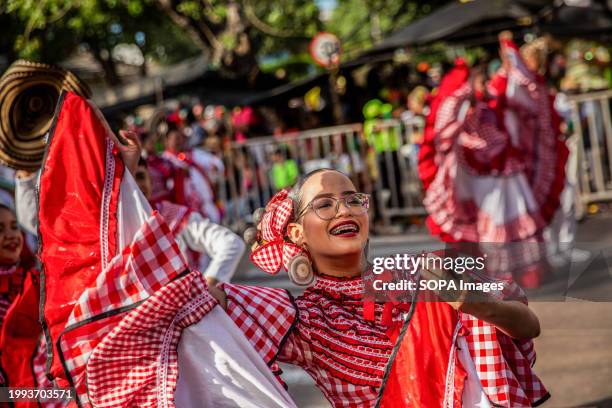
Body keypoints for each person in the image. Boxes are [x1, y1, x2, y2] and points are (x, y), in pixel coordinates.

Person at [216, 168, 548, 407]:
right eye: (325, 205)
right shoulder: (306, 318)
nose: (344, 209)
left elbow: (529, 325)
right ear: (298, 234)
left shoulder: (421, 269)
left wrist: (480, 306)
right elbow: (210, 301)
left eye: (352, 200)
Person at [133, 159, 245, 285]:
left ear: (151, 181)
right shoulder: (111, 234)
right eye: (128, 180)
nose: (135, 185)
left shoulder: (171, 215)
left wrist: (208, 285)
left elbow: (231, 243)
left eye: (140, 177)